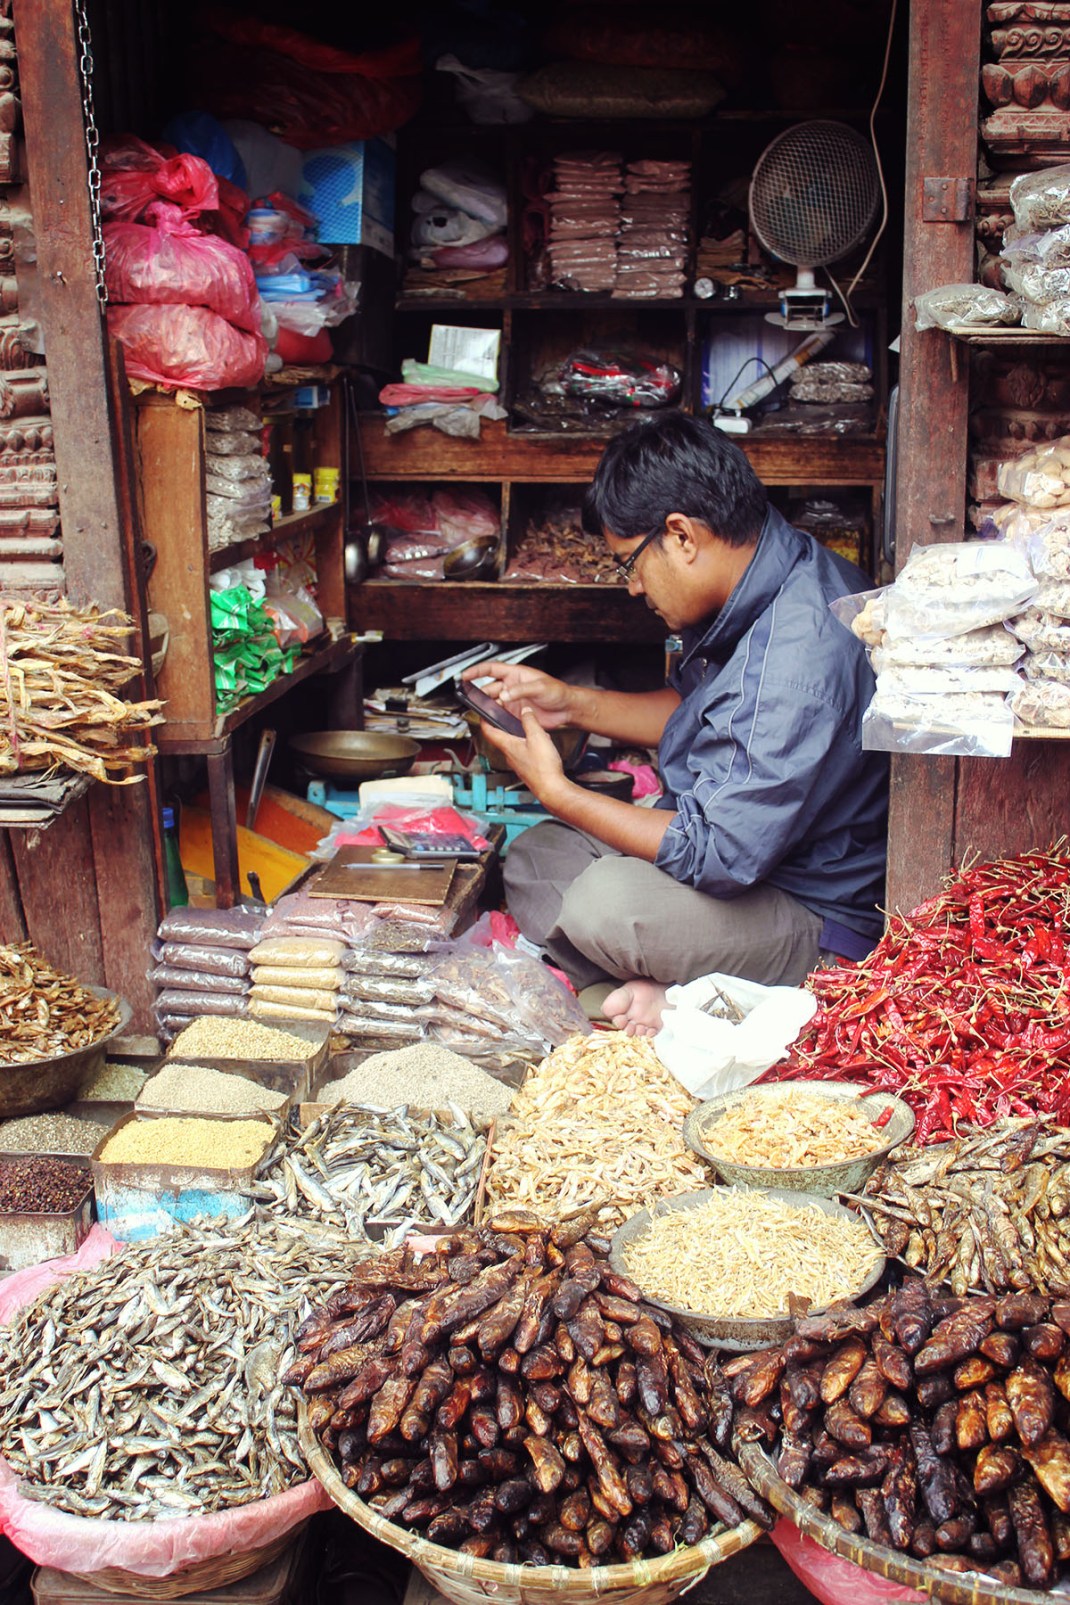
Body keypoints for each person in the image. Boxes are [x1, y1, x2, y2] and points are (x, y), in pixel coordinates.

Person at [463, 412, 888, 1008]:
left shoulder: (794, 663)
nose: (633, 588)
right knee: (540, 853)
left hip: (807, 910)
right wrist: (570, 704)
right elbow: (698, 712)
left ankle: (668, 996)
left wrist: (558, 790)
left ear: (682, 535)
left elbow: (714, 853)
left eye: (628, 563)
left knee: (605, 903)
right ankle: (658, 989)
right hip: (742, 857)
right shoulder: (770, 569)